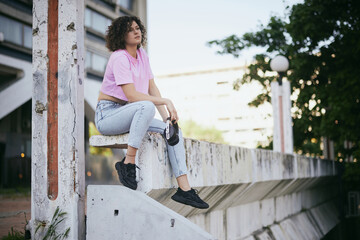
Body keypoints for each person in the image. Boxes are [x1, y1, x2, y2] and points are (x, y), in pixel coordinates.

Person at [95, 16, 209, 209]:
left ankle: (185, 189)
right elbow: (131, 95)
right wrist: (166, 101)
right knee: (145, 106)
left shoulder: (142, 55)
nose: (137, 31)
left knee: (173, 131)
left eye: (138, 28)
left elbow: (152, 88)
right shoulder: (119, 57)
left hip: (131, 112)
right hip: (108, 115)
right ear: (122, 34)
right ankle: (128, 162)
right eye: (131, 29)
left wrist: (167, 119)